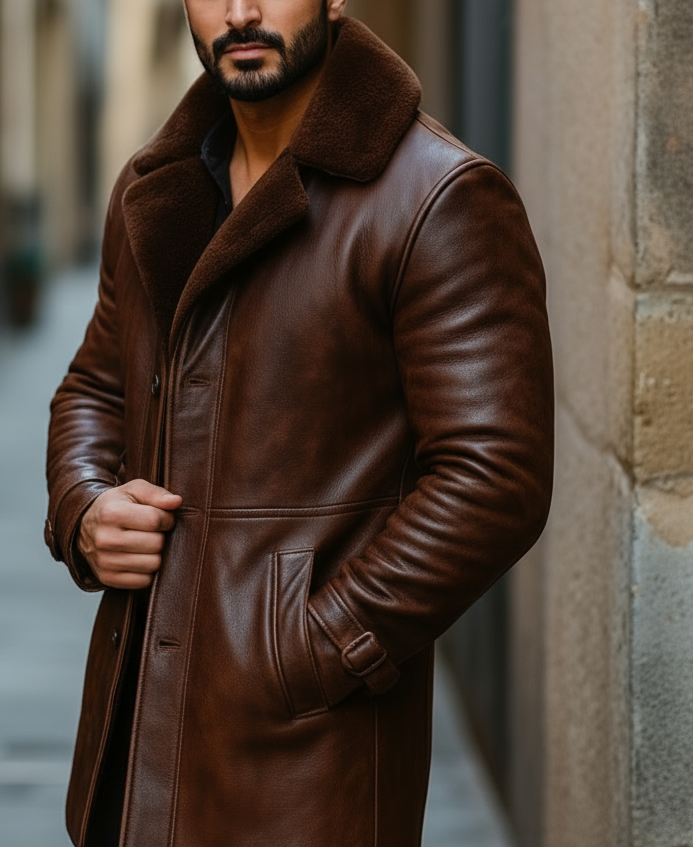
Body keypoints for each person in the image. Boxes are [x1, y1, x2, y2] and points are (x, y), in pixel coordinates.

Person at [44, 1, 554, 845]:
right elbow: (96, 386)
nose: (241, 12)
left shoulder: (440, 196)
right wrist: (85, 506)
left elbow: (496, 478)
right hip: (136, 751)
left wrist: (313, 645)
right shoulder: (150, 187)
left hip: (308, 773)